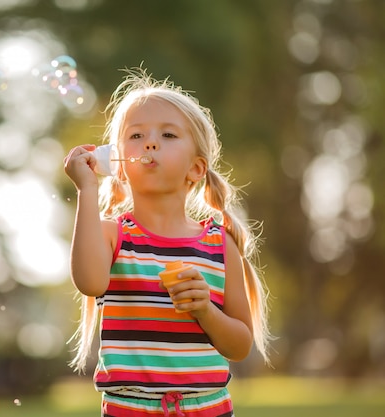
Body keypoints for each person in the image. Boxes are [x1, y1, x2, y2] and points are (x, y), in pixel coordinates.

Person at [63, 68, 272, 417]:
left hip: (208, 410)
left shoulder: (219, 244)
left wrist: (205, 310)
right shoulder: (112, 235)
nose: (150, 142)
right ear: (118, 164)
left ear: (195, 168)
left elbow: (239, 346)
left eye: (168, 134)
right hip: (128, 410)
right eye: (136, 135)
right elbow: (88, 281)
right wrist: (87, 189)